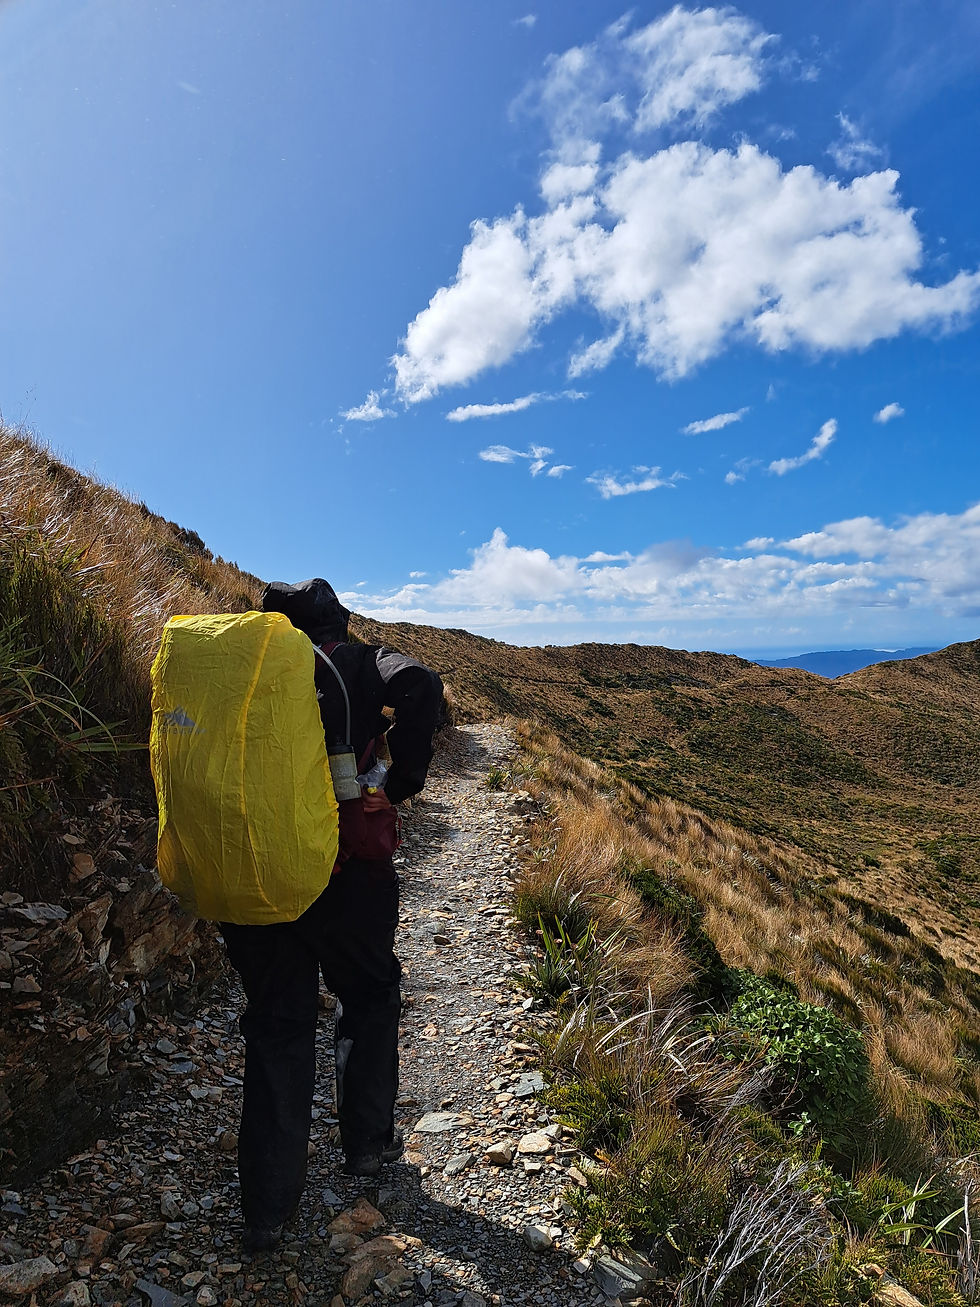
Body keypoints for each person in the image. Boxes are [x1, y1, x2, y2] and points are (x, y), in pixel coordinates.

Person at [220, 578, 442, 1255]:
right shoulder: (353, 662)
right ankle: (367, 1149)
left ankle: (266, 1211)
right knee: (369, 995)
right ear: (335, 623)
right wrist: (399, 781)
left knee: (277, 1026)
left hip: (255, 877)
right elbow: (423, 684)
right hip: (345, 873)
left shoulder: (237, 671)